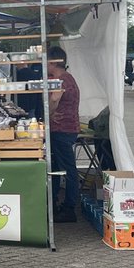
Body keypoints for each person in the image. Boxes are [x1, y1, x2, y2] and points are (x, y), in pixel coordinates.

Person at [47, 46, 80, 223]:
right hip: (68, 128)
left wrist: (49, 114)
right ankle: (59, 204)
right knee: (62, 168)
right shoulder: (68, 78)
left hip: (62, 129)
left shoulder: (60, 80)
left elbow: (54, 99)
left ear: (53, 62)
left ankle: (69, 208)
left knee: (67, 169)